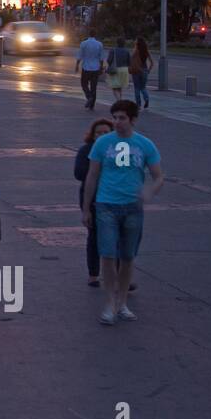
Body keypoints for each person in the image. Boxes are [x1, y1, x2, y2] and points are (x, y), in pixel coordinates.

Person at [81, 100, 164, 325]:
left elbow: (159, 176)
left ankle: (122, 303)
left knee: (127, 257)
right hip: (106, 205)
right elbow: (92, 176)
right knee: (107, 256)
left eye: (122, 118)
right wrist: (86, 207)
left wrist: (150, 191)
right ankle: (109, 303)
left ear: (133, 120)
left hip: (132, 208)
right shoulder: (103, 144)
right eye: (115, 117)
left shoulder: (145, 145)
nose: (117, 122)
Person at [75, 119, 114, 287]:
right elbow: (79, 174)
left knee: (117, 237)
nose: (102, 136)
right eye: (98, 133)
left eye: (106, 132)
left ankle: (120, 275)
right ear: (92, 135)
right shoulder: (86, 150)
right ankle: (93, 274)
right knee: (95, 236)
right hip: (92, 199)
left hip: (114, 199)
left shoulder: (118, 150)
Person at [75, 33, 105, 110]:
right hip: (95, 68)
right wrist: (101, 67)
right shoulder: (99, 44)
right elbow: (101, 58)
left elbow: (80, 55)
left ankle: (89, 97)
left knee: (84, 83)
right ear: (95, 35)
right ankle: (92, 105)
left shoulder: (84, 43)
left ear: (88, 35)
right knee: (93, 86)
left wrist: (77, 65)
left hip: (86, 67)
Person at [129, 37, 153, 109]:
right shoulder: (146, 51)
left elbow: (131, 60)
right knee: (143, 87)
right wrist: (148, 70)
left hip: (136, 71)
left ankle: (138, 104)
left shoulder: (136, 51)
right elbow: (152, 63)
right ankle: (146, 99)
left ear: (137, 43)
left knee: (136, 88)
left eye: (135, 41)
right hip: (145, 70)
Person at [105, 36, 131, 102]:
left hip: (115, 70)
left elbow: (109, 60)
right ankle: (119, 101)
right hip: (124, 70)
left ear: (117, 43)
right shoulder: (127, 51)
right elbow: (129, 62)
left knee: (114, 87)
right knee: (119, 87)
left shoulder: (113, 50)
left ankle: (119, 101)